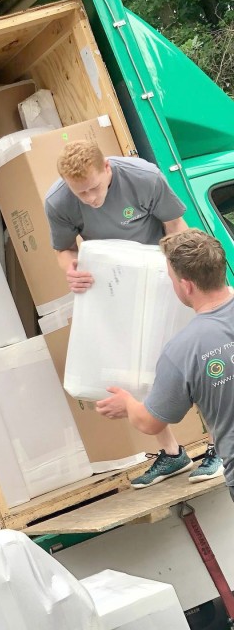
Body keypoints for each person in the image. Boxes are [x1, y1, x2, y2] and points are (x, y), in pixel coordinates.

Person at [45, 141, 222, 487]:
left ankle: (219, 446)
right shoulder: (58, 201)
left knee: (194, 358)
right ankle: (172, 455)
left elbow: (176, 226)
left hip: (162, 273)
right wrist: (72, 269)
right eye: (80, 193)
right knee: (135, 367)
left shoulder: (144, 178)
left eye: (95, 188)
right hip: (116, 283)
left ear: (108, 169)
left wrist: (183, 277)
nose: (90, 199)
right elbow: (63, 249)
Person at [96, 230, 230, 495]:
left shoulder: (182, 350)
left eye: (172, 279)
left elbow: (150, 423)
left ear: (187, 285)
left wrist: (128, 404)